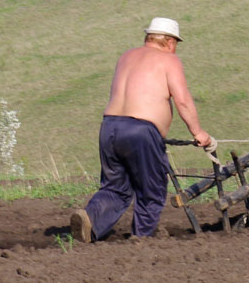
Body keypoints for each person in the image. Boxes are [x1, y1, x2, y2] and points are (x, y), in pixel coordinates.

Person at [70, 17, 212, 242]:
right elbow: (182, 100)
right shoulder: (168, 60)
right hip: (141, 131)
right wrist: (198, 133)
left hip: (110, 128)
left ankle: (90, 219)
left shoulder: (126, 57)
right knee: (151, 190)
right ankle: (141, 239)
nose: (175, 48)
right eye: (176, 43)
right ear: (168, 41)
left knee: (115, 188)